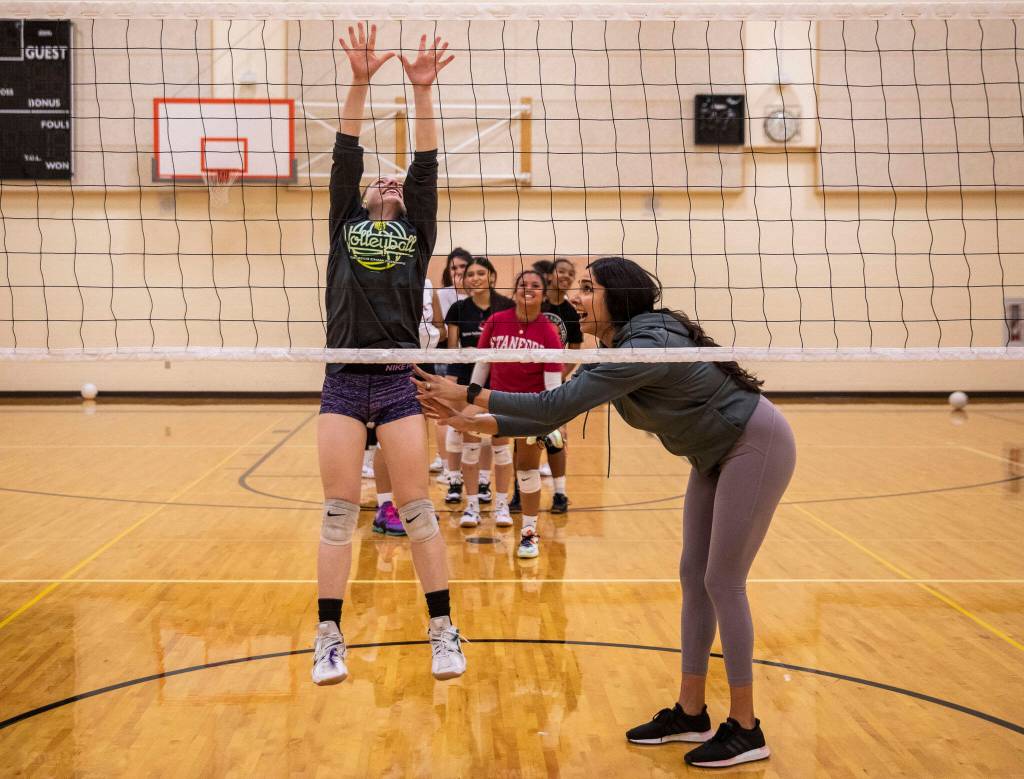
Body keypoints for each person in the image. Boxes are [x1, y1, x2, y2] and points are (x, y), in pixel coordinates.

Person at [414, 256, 796, 767]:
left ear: (618, 298)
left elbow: (552, 408)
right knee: (693, 576)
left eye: (588, 289)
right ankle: (690, 710)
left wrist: (466, 392)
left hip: (754, 442)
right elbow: (560, 404)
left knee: (723, 580)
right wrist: (473, 419)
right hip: (712, 452)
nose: (574, 295)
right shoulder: (615, 346)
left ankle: (747, 728)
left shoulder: (647, 346)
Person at [313, 22, 465, 686]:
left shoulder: (416, 231)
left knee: (418, 507)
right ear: (361, 199)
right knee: (339, 509)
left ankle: (441, 631)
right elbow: (347, 150)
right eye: (381, 184)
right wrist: (361, 81)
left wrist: (421, 92)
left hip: (399, 381)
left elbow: (424, 164)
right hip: (345, 379)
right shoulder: (344, 223)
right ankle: (328, 637)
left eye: (398, 189)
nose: (390, 186)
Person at [458, 268, 563, 558]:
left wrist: (553, 421)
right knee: (467, 429)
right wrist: (472, 396)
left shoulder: (548, 332)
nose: (527, 288)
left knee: (528, 469)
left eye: (534, 285)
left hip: (531, 408)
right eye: (522, 284)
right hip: (497, 402)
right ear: (514, 290)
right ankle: (472, 504)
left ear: (543, 294)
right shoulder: (496, 321)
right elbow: (482, 365)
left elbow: (553, 385)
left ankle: (529, 533)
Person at [443, 256, 514, 528]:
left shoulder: (507, 307)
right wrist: (449, 386)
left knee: (498, 438)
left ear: (492, 277)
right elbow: (452, 351)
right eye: (469, 274)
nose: (473, 278)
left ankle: (497, 499)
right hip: (466, 381)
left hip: (499, 380)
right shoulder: (459, 309)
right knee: (467, 432)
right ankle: (469, 500)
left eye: (480, 273)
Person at [532, 258, 583, 513]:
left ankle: (560, 494)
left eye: (570, 273)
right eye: (561, 271)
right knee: (523, 439)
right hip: (526, 380)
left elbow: (575, 348)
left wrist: (559, 373)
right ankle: (521, 494)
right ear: (550, 275)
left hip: (554, 382)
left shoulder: (571, 312)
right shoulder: (535, 305)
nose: (566, 276)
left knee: (555, 439)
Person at [434, 248, 473, 494]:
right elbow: (444, 332)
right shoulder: (442, 294)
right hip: (448, 359)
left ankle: (471, 468)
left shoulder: (481, 295)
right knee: (445, 414)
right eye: (454, 268)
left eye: (462, 267)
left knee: (471, 414)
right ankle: (447, 464)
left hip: (475, 360)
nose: (458, 272)